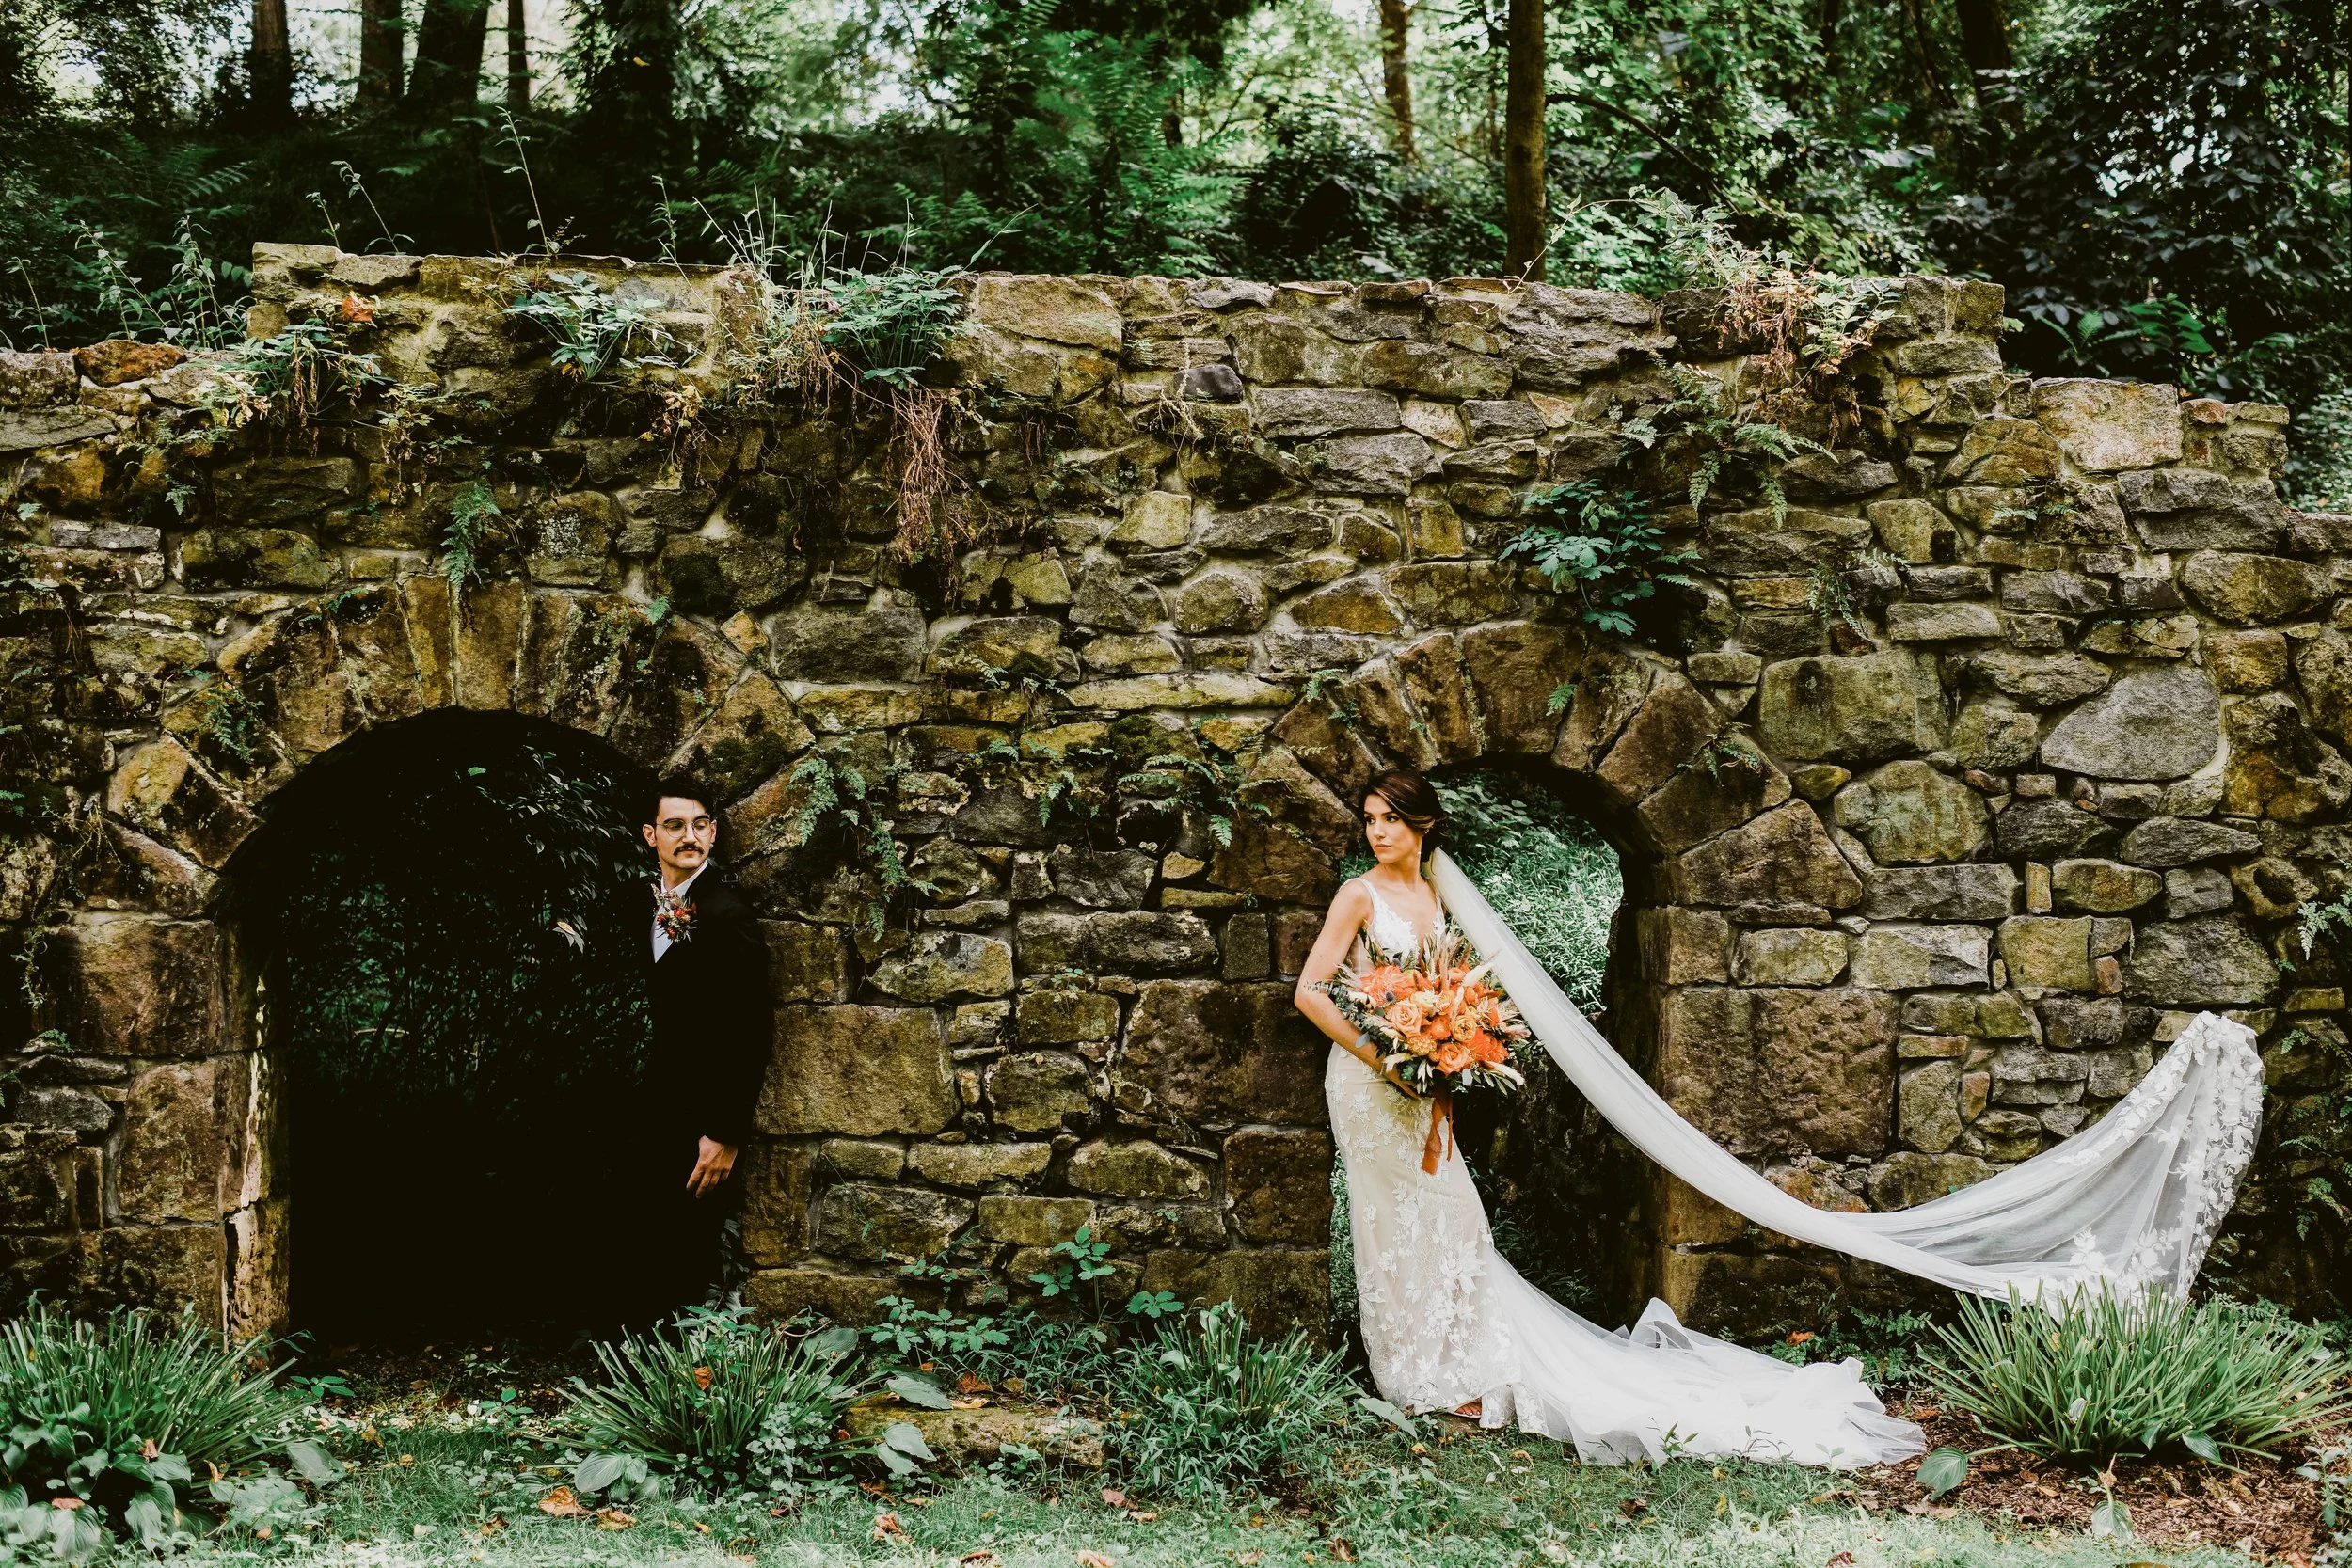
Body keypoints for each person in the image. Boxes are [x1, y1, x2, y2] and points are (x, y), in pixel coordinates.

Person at [1293, 767, 1925, 1466]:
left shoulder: (1437, 894)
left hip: (1420, 1085)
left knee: (1453, 1216)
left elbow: (1455, 989)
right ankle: (1411, 1375)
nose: (1377, 831)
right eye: (1370, 818)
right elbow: (1312, 992)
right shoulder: (1358, 895)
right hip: (1366, 1085)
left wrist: (1447, 1042)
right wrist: (1383, 1053)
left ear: (1424, 824)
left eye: (1390, 819)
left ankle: (1457, 1360)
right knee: (1389, 1219)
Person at [635, 776, 772, 1318]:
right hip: (656, 1108)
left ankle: (686, 1381)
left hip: (704, 1124)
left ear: (713, 834)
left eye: (699, 825)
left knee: (691, 1253)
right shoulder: (644, 909)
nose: (688, 836)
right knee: (651, 1241)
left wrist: (724, 1132)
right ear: (652, 835)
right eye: (674, 826)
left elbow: (751, 1029)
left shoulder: (727, 916)